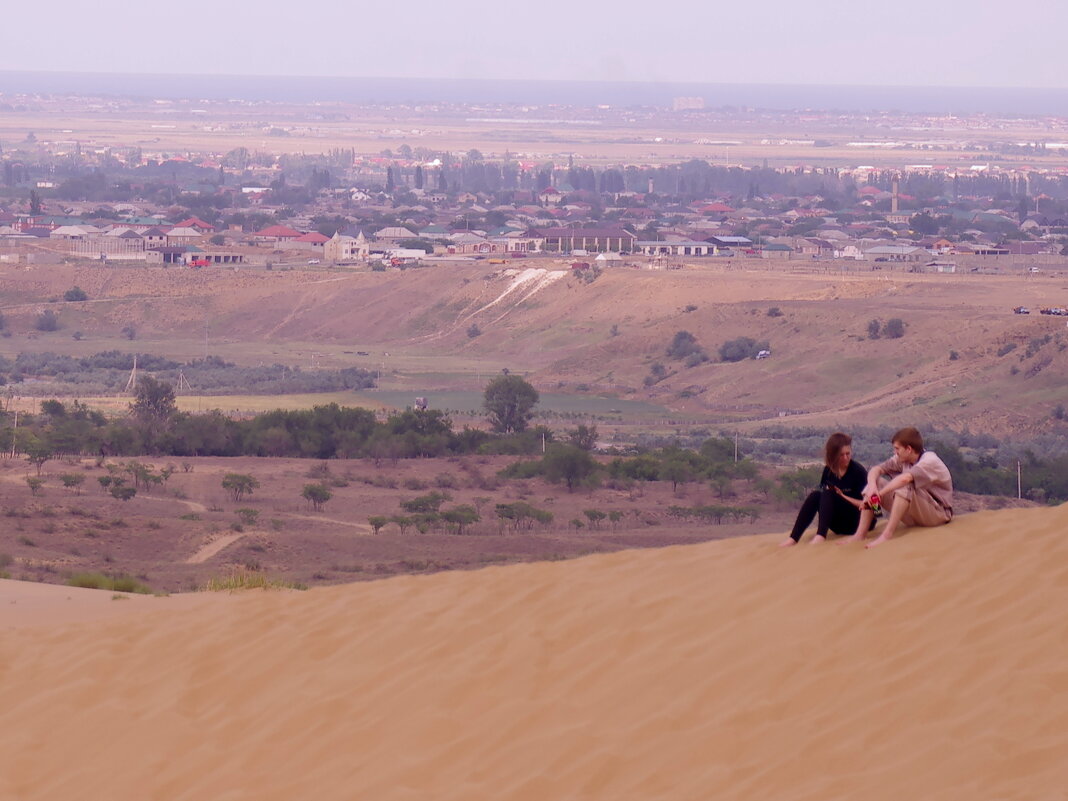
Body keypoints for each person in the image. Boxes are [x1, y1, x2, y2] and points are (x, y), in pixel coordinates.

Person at [843, 426, 953, 549]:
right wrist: (873, 488)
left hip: (938, 514)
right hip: (916, 514)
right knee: (875, 483)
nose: (895, 452)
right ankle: (860, 534)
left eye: (897, 449)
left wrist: (878, 495)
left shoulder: (929, 461)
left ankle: (887, 535)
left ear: (909, 449)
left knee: (905, 485)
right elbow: (876, 469)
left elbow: (905, 479)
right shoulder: (903, 459)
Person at [780, 432, 871, 546]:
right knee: (816, 495)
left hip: (859, 522)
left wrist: (843, 496)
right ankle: (793, 538)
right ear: (833, 455)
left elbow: (875, 507)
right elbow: (824, 500)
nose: (846, 458)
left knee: (829, 493)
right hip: (839, 523)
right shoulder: (828, 471)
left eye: (848, 453)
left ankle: (821, 536)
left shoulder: (858, 471)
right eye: (841, 455)